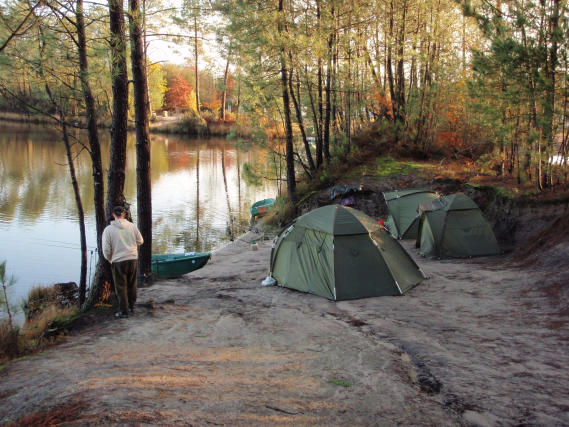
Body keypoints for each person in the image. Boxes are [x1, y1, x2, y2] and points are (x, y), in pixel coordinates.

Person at [102, 205, 143, 318]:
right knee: (132, 284)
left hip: (118, 260)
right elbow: (141, 240)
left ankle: (124, 311)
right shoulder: (132, 226)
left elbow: (106, 250)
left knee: (121, 286)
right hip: (133, 259)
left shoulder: (108, 230)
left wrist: (110, 259)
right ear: (124, 214)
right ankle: (132, 306)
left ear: (113, 215)